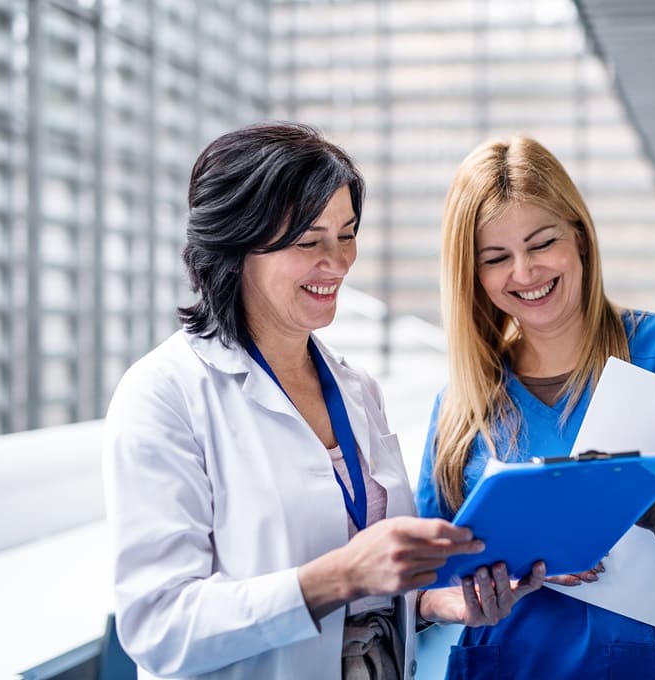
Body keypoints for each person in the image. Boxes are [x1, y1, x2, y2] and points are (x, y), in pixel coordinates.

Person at [102, 122, 541, 680]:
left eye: (348, 233)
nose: (337, 262)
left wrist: (434, 604)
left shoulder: (356, 390)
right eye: (309, 241)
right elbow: (158, 627)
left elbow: (369, 594)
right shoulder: (165, 394)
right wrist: (340, 577)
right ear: (238, 245)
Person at [414, 136, 655, 678]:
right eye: (496, 258)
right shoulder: (463, 407)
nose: (525, 272)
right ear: (473, 277)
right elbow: (420, 584)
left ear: (579, 236)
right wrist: (455, 598)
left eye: (541, 242)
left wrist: (640, 496)